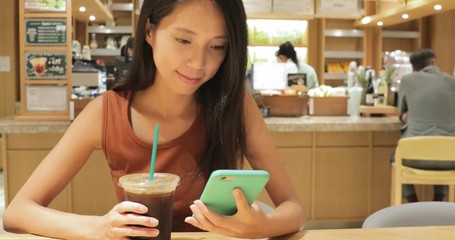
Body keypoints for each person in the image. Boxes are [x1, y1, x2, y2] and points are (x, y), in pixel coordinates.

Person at [3, 0, 305, 239]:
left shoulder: (234, 105)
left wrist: (260, 226)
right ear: (149, 31)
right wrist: (99, 228)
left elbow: (294, 210)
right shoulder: (107, 111)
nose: (199, 63)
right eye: (184, 40)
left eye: (217, 46)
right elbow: (17, 213)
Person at [396, 48, 455, 202]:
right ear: (434, 62)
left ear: (413, 67)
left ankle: (413, 202)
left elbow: (401, 113)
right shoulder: (452, 82)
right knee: (441, 148)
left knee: (395, 158)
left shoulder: (407, 80)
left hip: (415, 156)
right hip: (450, 157)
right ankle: (438, 201)